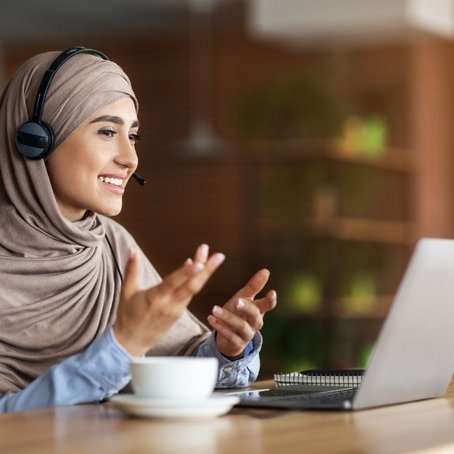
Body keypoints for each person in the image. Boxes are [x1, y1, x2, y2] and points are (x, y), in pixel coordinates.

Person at [0, 47, 277, 413]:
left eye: (132, 136)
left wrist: (226, 348)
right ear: (35, 142)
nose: (130, 159)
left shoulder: (113, 247)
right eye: (106, 131)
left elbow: (174, 366)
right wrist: (124, 343)